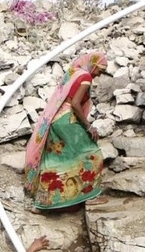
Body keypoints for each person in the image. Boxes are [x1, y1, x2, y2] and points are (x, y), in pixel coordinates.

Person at [24, 51, 108, 210]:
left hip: (56, 119)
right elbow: (76, 104)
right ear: (93, 65)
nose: (98, 75)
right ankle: (89, 196)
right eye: (100, 70)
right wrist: (88, 126)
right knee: (92, 154)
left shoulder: (74, 72)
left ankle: (43, 203)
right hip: (67, 120)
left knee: (55, 159)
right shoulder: (86, 78)